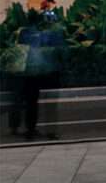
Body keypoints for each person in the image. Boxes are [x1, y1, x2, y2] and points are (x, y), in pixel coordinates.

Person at [7, 9, 66, 140]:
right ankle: (44, 131)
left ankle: (28, 129)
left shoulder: (23, 33)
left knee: (29, 102)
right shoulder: (44, 34)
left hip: (26, 72)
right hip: (42, 72)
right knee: (39, 103)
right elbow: (59, 48)